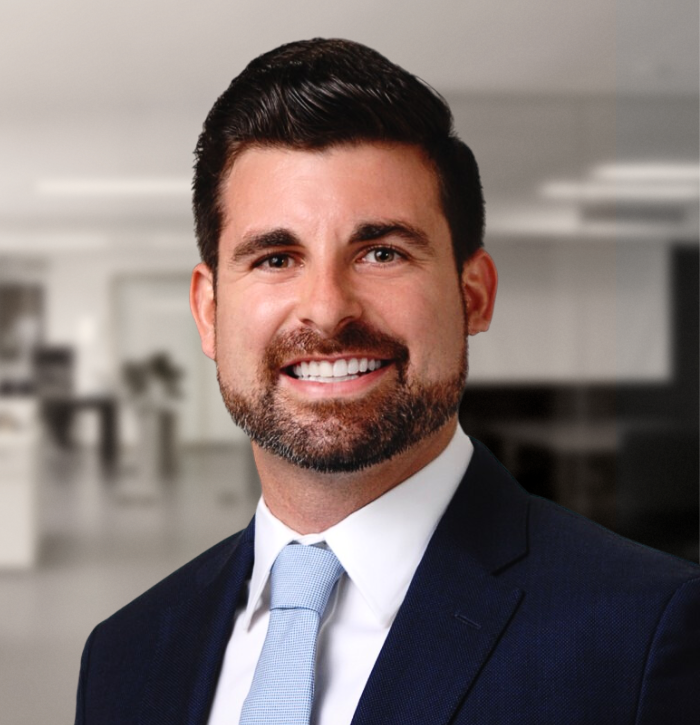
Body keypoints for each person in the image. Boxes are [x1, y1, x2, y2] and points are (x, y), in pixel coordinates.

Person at [74, 38, 699, 724]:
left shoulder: (643, 635)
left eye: (380, 252)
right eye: (277, 257)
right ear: (209, 311)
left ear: (474, 294)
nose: (327, 307)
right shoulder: (125, 653)